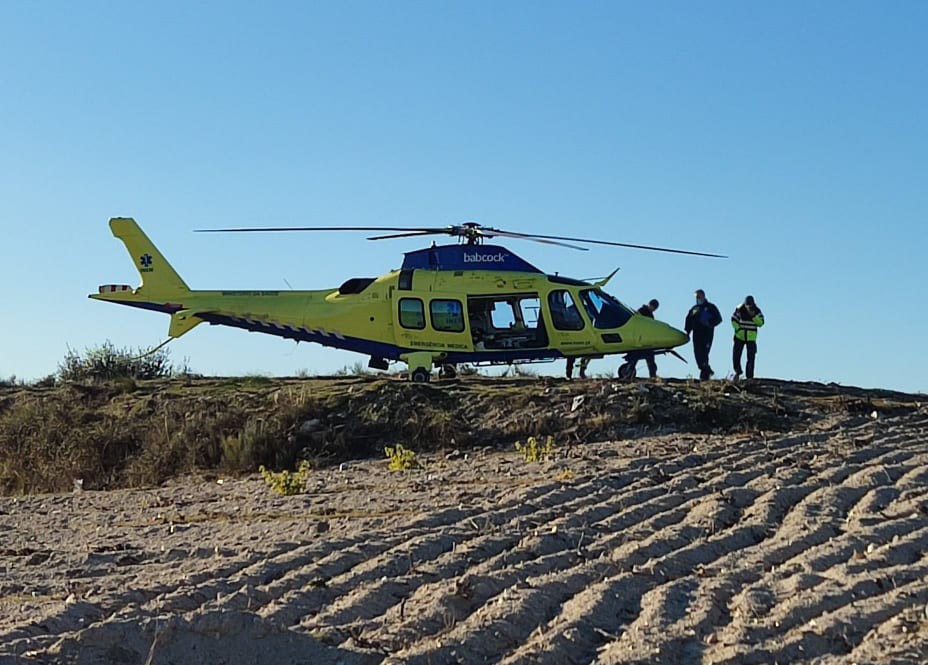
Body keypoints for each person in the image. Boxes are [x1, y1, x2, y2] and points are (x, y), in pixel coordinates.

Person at [684, 289, 722, 381]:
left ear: (703, 296)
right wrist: (687, 332)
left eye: (698, 296)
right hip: (696, 335)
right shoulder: (694, 309)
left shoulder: (711, 307)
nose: (697, 298)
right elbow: (688, 320)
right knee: (697, 355)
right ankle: (707, 370)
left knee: (704, 354)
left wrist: (709, 323)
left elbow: (718, 319)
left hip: (707, 335)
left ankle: (704, 376)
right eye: (696, 297)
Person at [731, 295, 765, 380]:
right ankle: (738, 372)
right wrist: (738, 329)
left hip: (751, 338)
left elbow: (761, 323)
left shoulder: (757, 311)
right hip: (739, 336)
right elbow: (733, 319)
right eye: (747, 305)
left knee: (751, 358)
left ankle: (749, 377)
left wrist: (754, 316)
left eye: (750, 305)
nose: (748, 307)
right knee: (736, 356)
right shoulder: (739, 309)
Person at [633, 299, 661, 378]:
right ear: (650, 305)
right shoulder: (641, 312)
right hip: (640, 340)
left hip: (646, 340)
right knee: (635, 358)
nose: (653, 309)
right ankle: (629, 373)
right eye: (653, 307)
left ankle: (652, 376)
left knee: (650, 359)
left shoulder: (650, 315)